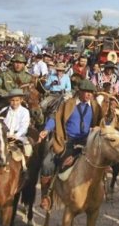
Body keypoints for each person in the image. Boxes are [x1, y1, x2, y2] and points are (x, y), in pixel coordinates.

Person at [38, 79, 103, 210]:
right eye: (86, 92)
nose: (88, 95)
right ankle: (46, 195)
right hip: (67, 142)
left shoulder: (96, 107)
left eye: (91, 92)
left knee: (105, 160)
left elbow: (101, 123)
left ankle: (100, 189)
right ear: (79, 92)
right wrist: (46, 129)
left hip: (87, 143)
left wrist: (100, 129)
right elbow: (54, 118)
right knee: (47, 164)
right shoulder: (69, 104)